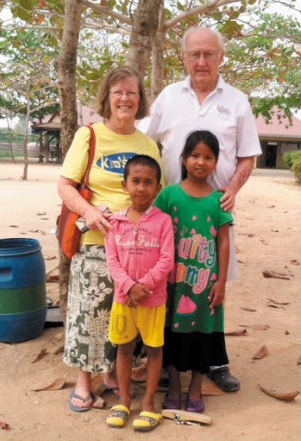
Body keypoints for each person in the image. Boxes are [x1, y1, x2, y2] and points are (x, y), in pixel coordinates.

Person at [139, 26, 262, 392]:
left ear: (222, 56)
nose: (202, 61)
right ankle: (166, 362)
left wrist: (231, 191)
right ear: (184, 57)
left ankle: (215, 361)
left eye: (209, 54)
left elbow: (248, 156)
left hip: (212, 214)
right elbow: (144, 144)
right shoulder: (167, 97)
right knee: (169, 285)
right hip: (168, 215)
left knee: (211, 285)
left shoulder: (237, 101)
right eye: (195, 54)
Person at [57, 66, 163, 412]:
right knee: (92, 313)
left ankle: (113, 376)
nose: (125, 99)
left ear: (140, 100)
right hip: (95, 245)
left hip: (139, 251)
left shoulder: (147, 144)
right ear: (107, 97)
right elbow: (64, 185)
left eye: (132, 92)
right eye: (118, 92)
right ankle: (85, 380)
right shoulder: (89, 136)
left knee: (125, 315)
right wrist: (88, 213)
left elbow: (157, 196)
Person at [154, 130, 233, 413]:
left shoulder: (218, 200)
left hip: (204, 286)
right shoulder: (168, 195)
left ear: (215, 162)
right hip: (172, 286)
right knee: (171, 335)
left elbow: (223, 241)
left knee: (202, 337)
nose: (201, 162)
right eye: (195, 156)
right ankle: (174, 385)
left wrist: (221, 282)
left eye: (208, 157)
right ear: (184, 159)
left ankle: (196, 387)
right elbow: (154, 232)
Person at [105, 155, 174, 430]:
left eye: (149, 182)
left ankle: (148, 404)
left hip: (153, 301)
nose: (142, 188)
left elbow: (167, 259)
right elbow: (112, 261)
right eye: (136, 181)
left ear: (158, 188)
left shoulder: (163, 222)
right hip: (124, 301)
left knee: (154, 350)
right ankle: (123, 401)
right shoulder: (115, 222)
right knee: (123, 349)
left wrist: (143, 286)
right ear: (124, 185)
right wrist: (129, 287)